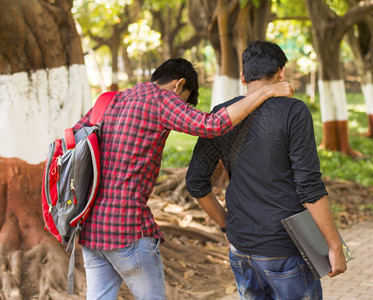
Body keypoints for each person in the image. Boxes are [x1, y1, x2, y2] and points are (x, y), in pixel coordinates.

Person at [72, 57, 294, 300]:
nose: (180, 106)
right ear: (179, 84)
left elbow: (74, 142)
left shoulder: (111, 100)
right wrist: (266, 92)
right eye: (183, 101)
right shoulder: (160, 98)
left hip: (91, 229)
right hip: (126, 229)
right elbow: (212, 125)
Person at [186, 42, 347, 300]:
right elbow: (309, 186)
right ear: (281, 73)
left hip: (241, 249)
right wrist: (334, 245)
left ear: (242, 76)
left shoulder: (221, 115)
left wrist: (228, 227)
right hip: (285, 250)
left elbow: (196, 182)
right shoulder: (294, 111)